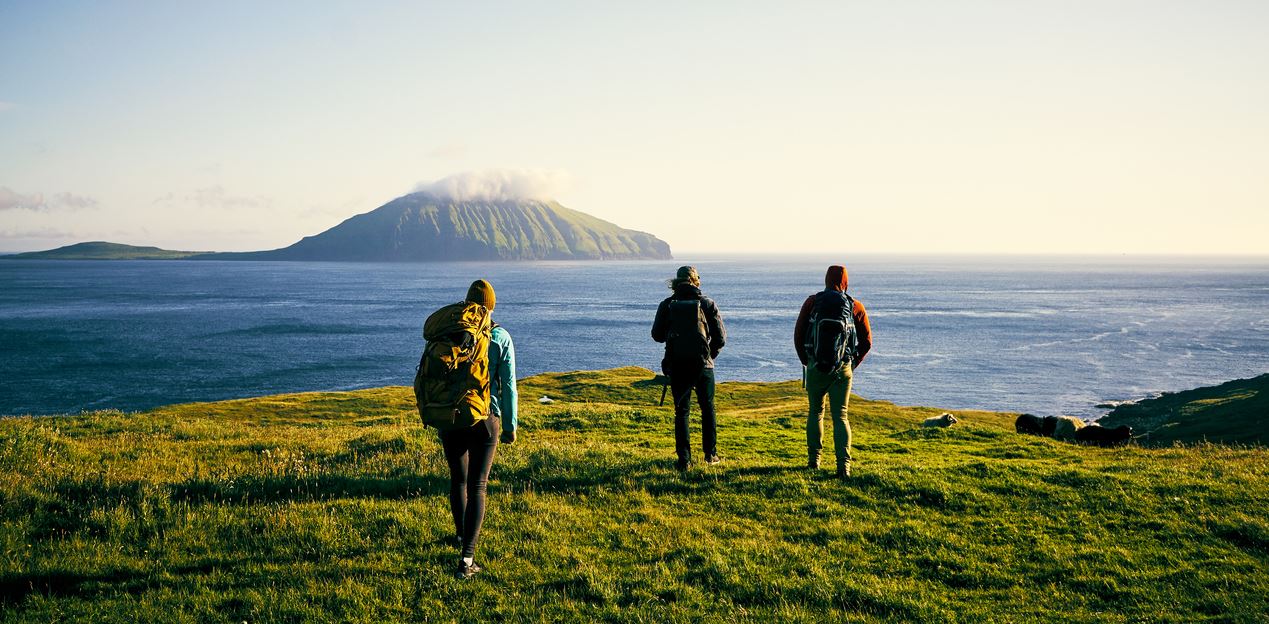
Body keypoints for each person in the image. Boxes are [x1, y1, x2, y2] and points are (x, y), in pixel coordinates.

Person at [440, 279, 517, 579]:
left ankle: (461, 535)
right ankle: (467, 559)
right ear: (491, 306)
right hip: (485, 418)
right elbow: (508, 386)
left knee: (458, 480)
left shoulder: (449, 332)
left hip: (452, 416)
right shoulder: (500, 337)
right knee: (478, 486)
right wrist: (510, 426)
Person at [794, 265, 872, 479]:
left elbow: (798, 335)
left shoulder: (812, 302)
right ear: (845, 282)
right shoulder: (855, 306)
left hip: (815, 366)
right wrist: (852, 364)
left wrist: (807, 361)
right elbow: (867, 342)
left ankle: (814, 461)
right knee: (841, 416)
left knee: (815, 412)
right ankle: (843, 467)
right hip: (842, 368)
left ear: (826, 280)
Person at [651, 265, 727, 471]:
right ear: (695, 280)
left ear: (676, 281)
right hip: (704, 365)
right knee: (707, 409)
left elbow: (657, 336)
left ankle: (684, 460)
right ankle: (710, 455)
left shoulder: (667, 304)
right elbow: (720, 338)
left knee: (682, 411)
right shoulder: (707, 303)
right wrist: (708, 355)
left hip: (677, 365)